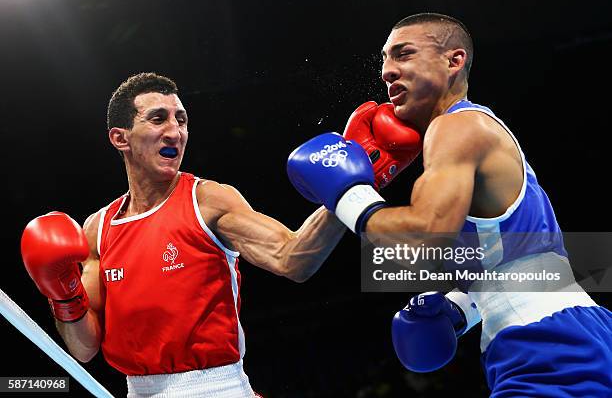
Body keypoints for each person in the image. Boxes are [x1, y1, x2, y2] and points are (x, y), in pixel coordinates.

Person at [19, 72, 421, 397]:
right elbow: (84, 347)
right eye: (158, 119)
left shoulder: (207, 200)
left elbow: (291, 258)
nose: (175, 131)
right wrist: (63, 293)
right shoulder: (98, 228)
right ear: (120, 137)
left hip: (215, 387)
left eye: (181, 119)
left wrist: (352, 190)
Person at [287, 13, 612, 397]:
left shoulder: (456, 128)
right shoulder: (478, 129)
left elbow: (422, 241)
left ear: (453, 61)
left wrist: (348, 193)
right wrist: (460, 307)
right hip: (578, 333)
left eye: (404, 55)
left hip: (548, 350)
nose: (388, 72)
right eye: (385, 60)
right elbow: (524, 258)